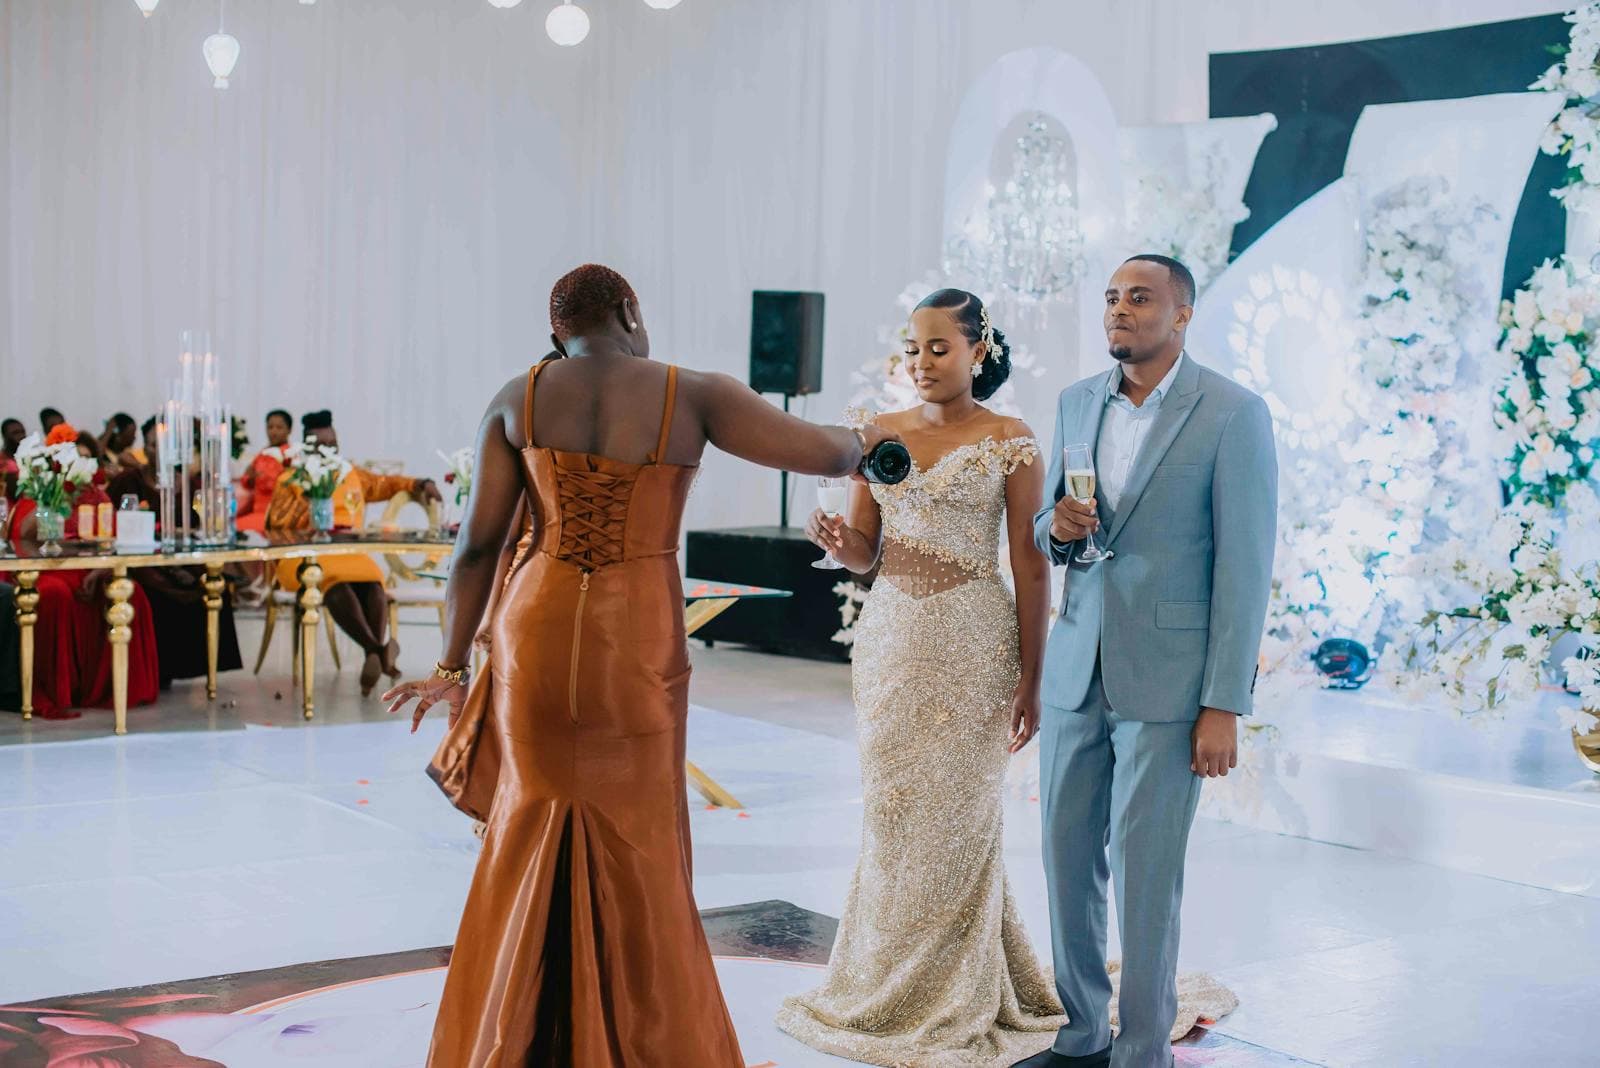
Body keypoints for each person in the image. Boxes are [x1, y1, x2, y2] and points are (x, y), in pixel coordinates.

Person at [382, 263, 900, 1067]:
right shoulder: (694, 394)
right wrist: (879, 438)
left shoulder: (515, 398)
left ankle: (516, 1038)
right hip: (634, 637)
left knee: (529, 818)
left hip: (537, 633)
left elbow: (477, 546)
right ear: (629, 309)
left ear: (559, 333)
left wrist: (449, 667)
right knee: (639, 838)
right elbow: (828, 454)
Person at [776, 289, 1065, 1063]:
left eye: (939, 347)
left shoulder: (1012, 439)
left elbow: (1029, 565)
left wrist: (1033, 679)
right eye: (913, 348)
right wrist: (843, 547)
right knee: (897, 817)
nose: (922, 363)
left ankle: (958, 991)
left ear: (979, 350)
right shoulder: (876, 435)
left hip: (976, 641)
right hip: (892, 642)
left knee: (962, 822)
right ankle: (883, 982)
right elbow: (869, 552)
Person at [1016, 255, 1275, 1068]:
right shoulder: (1074, 401)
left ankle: (1140, 1051)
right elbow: (1046, 537)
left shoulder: (1232, 414)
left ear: (1183, 314)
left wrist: (1223, 703)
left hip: (1171, 684)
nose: (1120, 311)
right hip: (1075, 670)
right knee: (1065, 860)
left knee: (1145, 872)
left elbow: (1244, 567)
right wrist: (1055, 527)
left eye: (1140, 298)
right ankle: (1081, 1031)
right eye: (1112, 299)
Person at [265, 410, 442, 695]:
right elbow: (277, 526)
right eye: (323, 446)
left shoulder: (350, 474)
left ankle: (374, 654)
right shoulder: (291, 479)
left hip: (348, 552)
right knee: (333, 582)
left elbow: (387, 483)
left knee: (372, 580)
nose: (330, 451)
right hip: (303, 555)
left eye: (334, 445)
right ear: (308, 448)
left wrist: (421, 482)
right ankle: (379, 651)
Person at [1, 428, 160, 720]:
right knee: (54, 595)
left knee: (132, 594)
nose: (81, 466)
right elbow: (22, 538)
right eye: (76, 458)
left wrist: (99, 573)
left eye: (88, 460)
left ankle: (114, 688)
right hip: (50, 570)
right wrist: (52, 497)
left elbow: (113, 543)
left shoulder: (98, 497)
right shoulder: (42, 491)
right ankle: (51, 691)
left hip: (92, 569)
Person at [236, 409, 294, 534]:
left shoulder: (291, 455)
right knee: (236, 528)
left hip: (279, 513)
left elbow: (282, 484)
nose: (274, 432)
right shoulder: (262, 454)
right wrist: (251, 477)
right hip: (258, 511)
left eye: (279, 427)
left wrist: (260, 477)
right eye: (270, 427)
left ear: (289, 430)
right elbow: (246, 481)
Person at [1, 418, 23, 500]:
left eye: (22, 432)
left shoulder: (29, 457)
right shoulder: (2, 462)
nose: (21, 436)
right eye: (15, 433)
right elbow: (16, 493)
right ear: (5, 436)